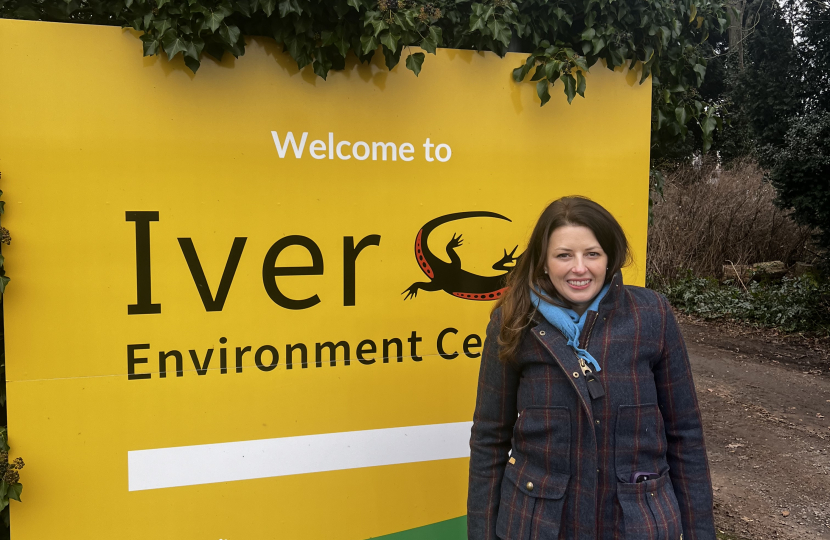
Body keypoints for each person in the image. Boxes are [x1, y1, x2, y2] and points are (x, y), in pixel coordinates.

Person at [467, 196, 715, 540]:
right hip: (537, 525)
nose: (579, 268)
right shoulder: (513, 321)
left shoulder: (652, 315)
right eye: (564, 255)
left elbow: (685, 434)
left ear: (610, 257)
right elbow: (489, 438)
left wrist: (701, 532)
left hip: (636, 525)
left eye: (592, 254)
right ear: (543, 261)